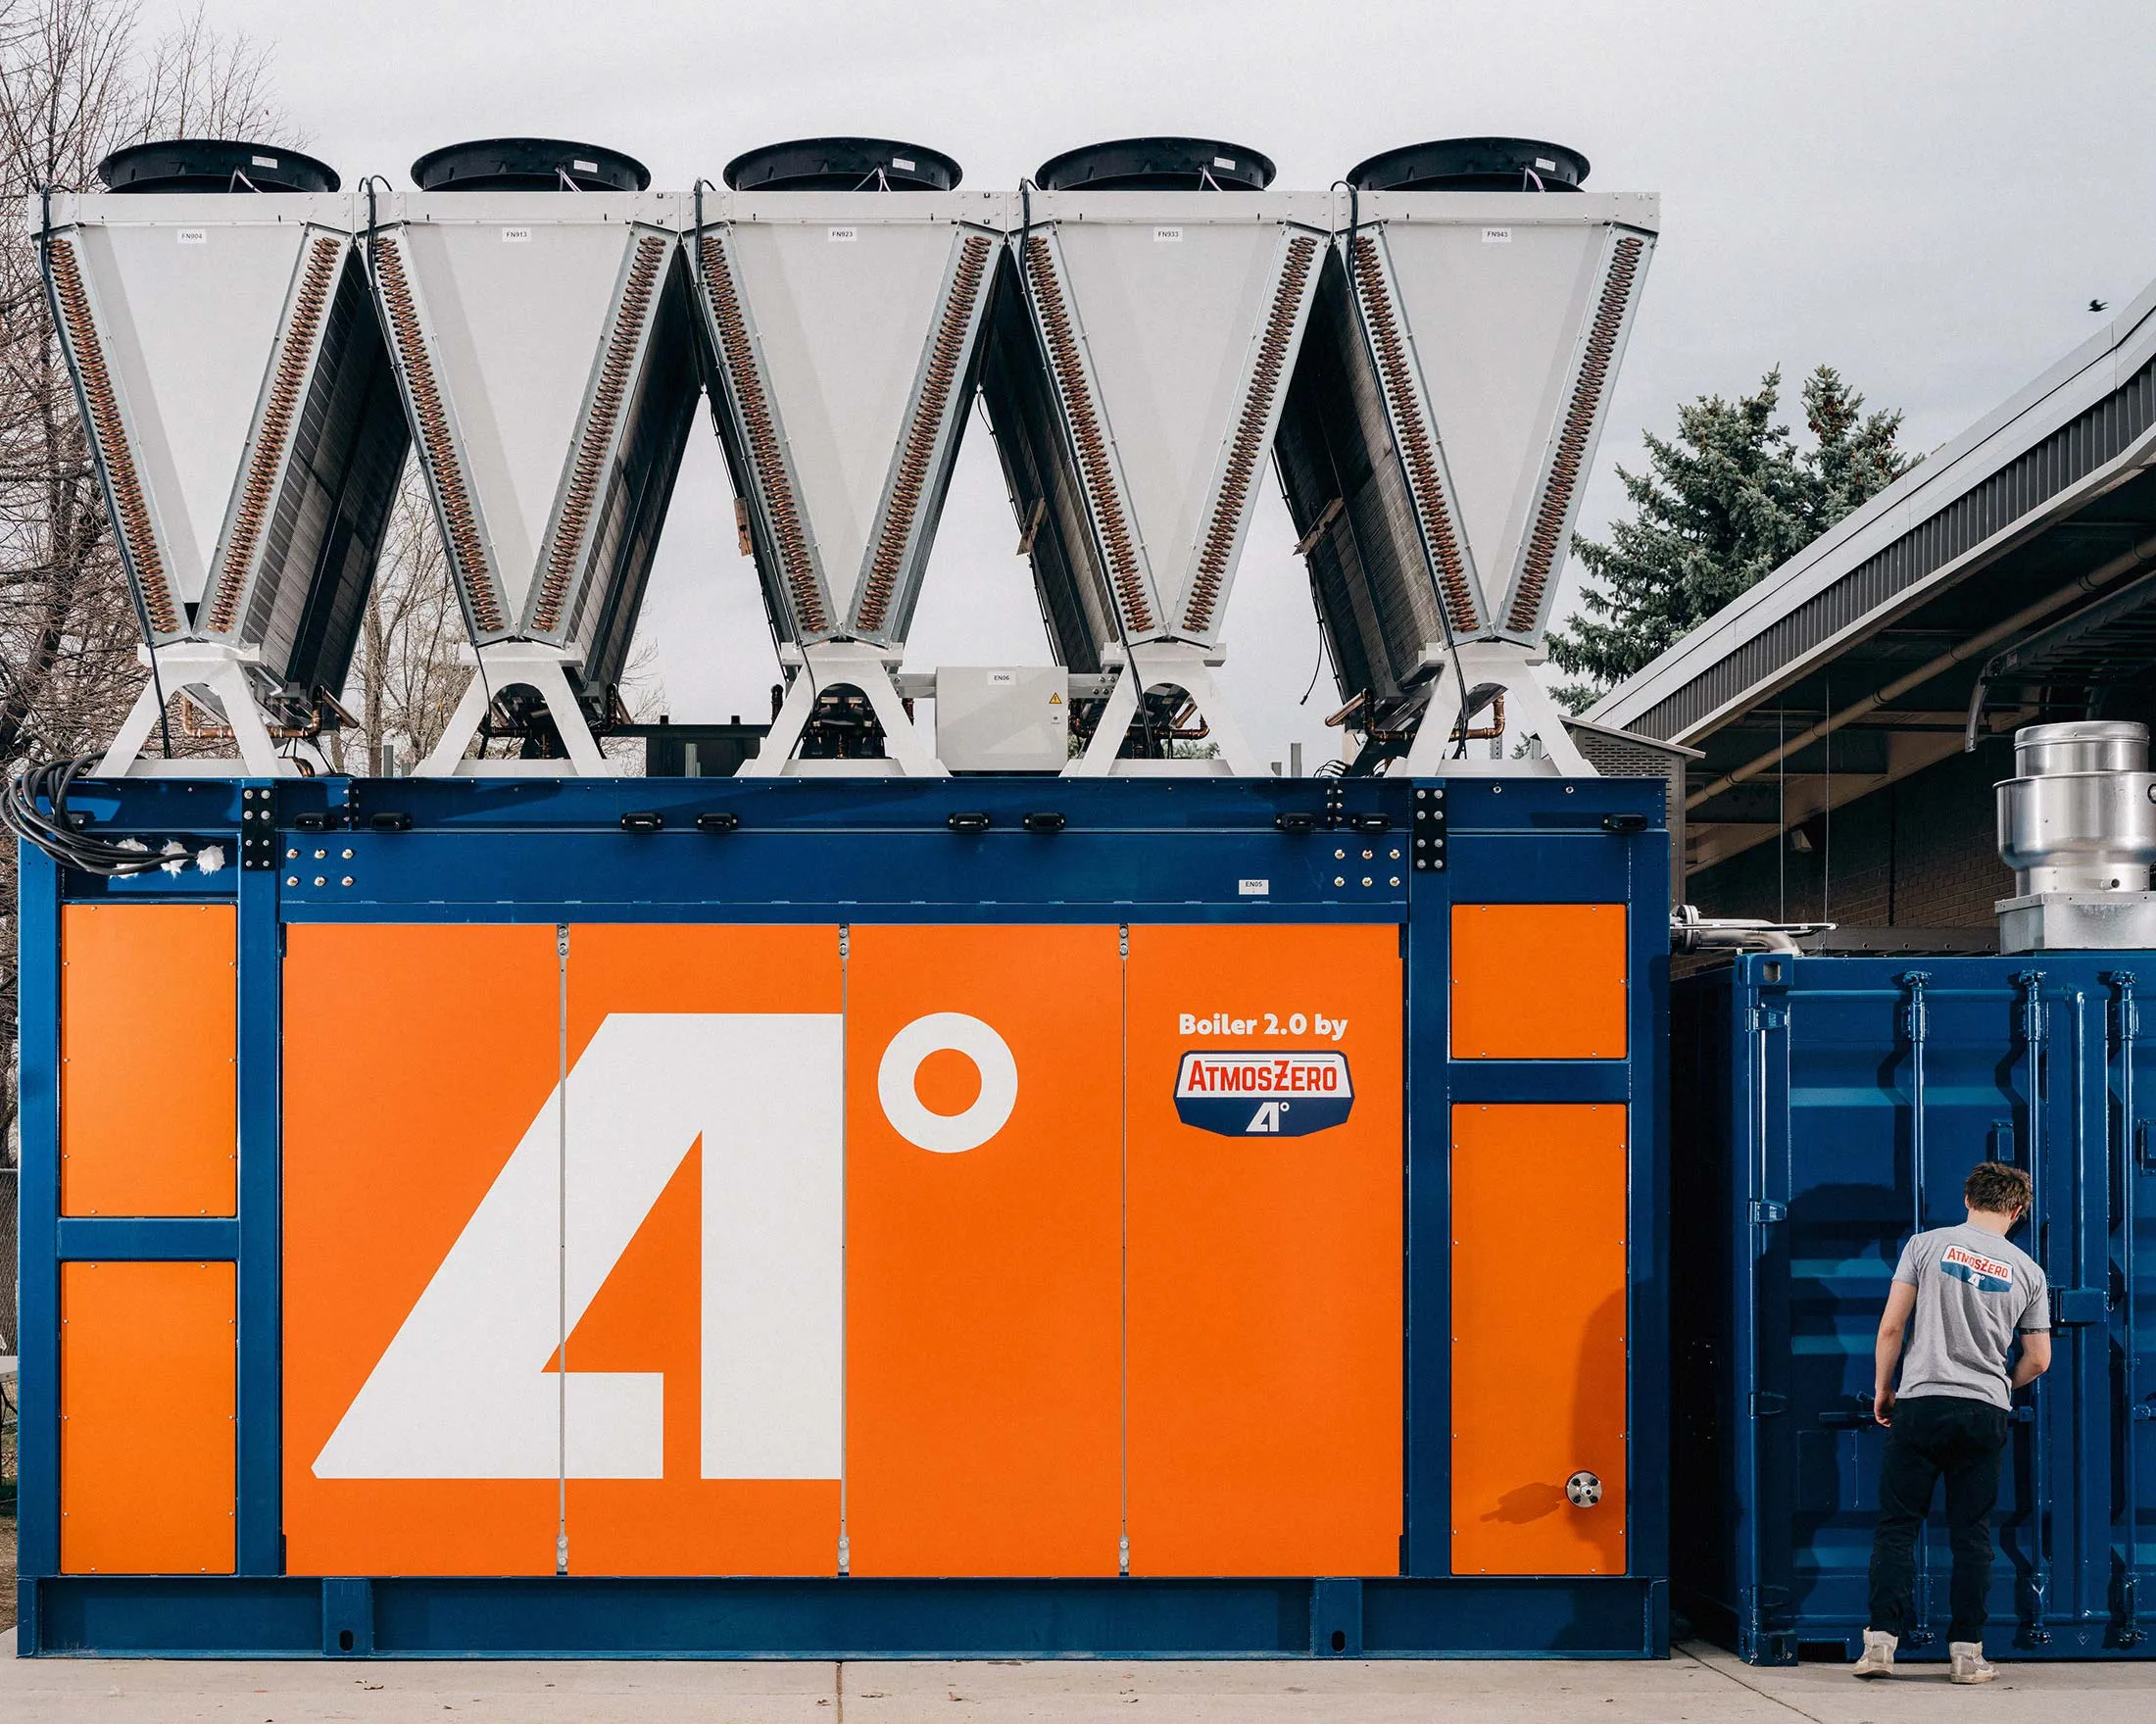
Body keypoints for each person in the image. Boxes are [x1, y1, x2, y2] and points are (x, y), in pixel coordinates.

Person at [1854, 1160, 2050, 1684]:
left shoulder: (1926, 1245)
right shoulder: (2028, 1271)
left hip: (1921, 1403)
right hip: (1984, 1410)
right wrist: (2001, 1385)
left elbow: (1893, 1324)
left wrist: (1883, 1388)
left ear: (1968, 1199)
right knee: (1971, 1533)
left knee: (1898, 1526)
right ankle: (1966, 1654)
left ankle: (1879, 1648)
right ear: (2016, 1210)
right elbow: (2039, 1358)